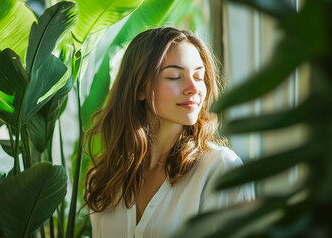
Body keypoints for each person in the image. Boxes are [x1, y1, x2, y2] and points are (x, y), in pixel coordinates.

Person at [84, 27, 254, 238]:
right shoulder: (107, 178)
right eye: (175, 76)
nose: (193, 88)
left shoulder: (220, 169)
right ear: (140, 89)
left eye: (199, 76)